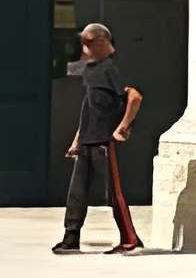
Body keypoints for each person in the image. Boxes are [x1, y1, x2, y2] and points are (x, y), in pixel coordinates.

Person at [52, 20, 143, 254]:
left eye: (88, 42)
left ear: (102, 42)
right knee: (77, 192)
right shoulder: (91, 71)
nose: (84, 48)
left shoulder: (111, 69)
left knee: (114, 193)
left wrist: (121, 127)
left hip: (105, 141)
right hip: (87, 141)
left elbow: (134, 98)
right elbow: (88, 108)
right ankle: (71, 238)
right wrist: (76, 140)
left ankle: (130, 239)